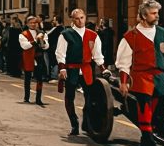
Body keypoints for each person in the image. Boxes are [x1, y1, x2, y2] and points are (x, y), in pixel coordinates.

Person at [115, 0, 164, 146]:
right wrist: (123, 83)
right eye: (153, 13)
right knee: (144, 113)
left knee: (152, 115)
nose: (157, 16)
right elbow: (124, 63)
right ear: (143, 16)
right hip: (141, 79)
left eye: (157, 13)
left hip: (159, 80)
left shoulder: (163, 34)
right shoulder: (130, 37)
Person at [56, 8, 103, 136]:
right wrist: (62, 68)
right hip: (71, 70)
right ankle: (74, 123)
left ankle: (87, 121)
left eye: (82, 18)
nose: (80, 21)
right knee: (69, 97)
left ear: (85, 18)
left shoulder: (93, 35)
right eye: (77, 18)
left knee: (90, 97)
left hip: (87, 70)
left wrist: (103, 69)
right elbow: (60, 53)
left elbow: (97, 55)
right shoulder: (66, 34)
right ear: (72, 19)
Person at [19, 16, 49, 106]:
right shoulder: (23, 34)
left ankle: (38, 98)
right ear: (27, 24)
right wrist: (36, 40)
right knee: (27, 78)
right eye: (31, 22)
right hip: (28, 57)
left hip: (39, 57)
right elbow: (25, 46)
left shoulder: (42, 33)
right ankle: (26, 97)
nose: (33, 24)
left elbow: (47, 46)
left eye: (35, 22)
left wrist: (42, 41)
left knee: (39, 78)